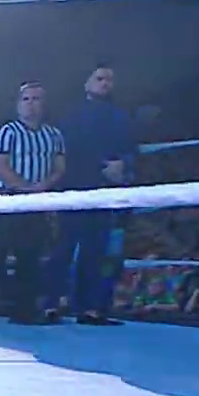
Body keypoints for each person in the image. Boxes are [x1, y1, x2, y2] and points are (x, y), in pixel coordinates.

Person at [0, 82, 66, 325]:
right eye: (26, 99)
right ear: (18, 104)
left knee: (30, 256)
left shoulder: (53, 135)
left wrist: (42, 186)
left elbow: (59, 167)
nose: (31, 104)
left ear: (44, 104)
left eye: (36, 99)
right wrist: (25, 187)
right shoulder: (8, 132)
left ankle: (23, 311)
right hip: (9, 199)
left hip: (37, 201)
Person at [56, 64, 136, 326]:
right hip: (75, 187)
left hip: (107, 191)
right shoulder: (71, 115)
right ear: (87, 83)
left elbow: (132, 148)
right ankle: (52, 303)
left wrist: (122, 166)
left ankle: (92, 308)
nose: (105, 83)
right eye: (100, 78)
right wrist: (103, 166)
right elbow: (66, 150)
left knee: (99, 250)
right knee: (64, 247)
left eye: (109, 79)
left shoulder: (122, 116)